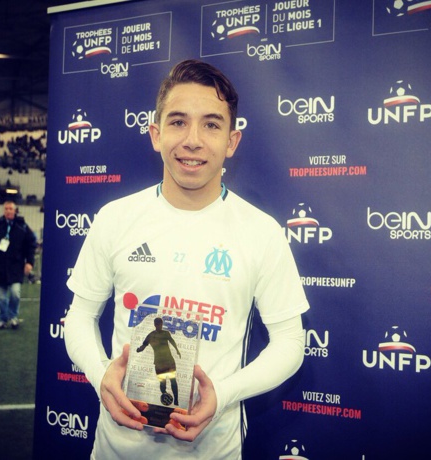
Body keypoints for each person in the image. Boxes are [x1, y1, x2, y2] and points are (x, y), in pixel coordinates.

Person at [64, 59, 310, 459]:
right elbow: (79, 316)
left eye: (211, 125)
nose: (192, 140)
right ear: (156, 134)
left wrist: (224, 393)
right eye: (178, 122)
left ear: (231, 141)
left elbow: (290, 342)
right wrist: (100, 372)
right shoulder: (115, 219)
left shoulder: (262, 232)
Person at [0, 201, 37, 329]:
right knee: (1, 298)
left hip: (16, 267)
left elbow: (31, 244)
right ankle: (3, 319)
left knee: (15, 294)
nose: (8, 211)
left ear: (15, 210)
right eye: (6, 208)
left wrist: (29, 262)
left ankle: (13, 317)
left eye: (10, 208)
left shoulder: (22, 226)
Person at [136, 317, 182, 406]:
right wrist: (139, 349)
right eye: (157, 324)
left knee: (172, 380)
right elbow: (143, 346)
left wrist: (177, 350)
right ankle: (166, 398)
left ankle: (176, 400)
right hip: (159, 362)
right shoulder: (150, 335)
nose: (159, 326)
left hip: (169, 361)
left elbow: (172, 341)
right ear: (155, 325)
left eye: (160, 324)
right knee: (163, 382)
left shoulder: (165, 333)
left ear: (161, 324)